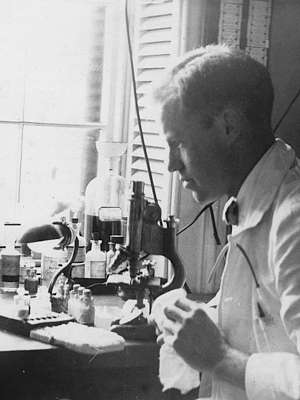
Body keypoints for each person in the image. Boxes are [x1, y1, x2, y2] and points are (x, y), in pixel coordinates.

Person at [151, 44, 300, 399]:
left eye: (179, 144)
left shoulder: (292, 221)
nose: (172, 165)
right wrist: (190, 317)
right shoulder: (251, 203)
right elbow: (263, 321)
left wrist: (219, 359)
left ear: (229, 126)